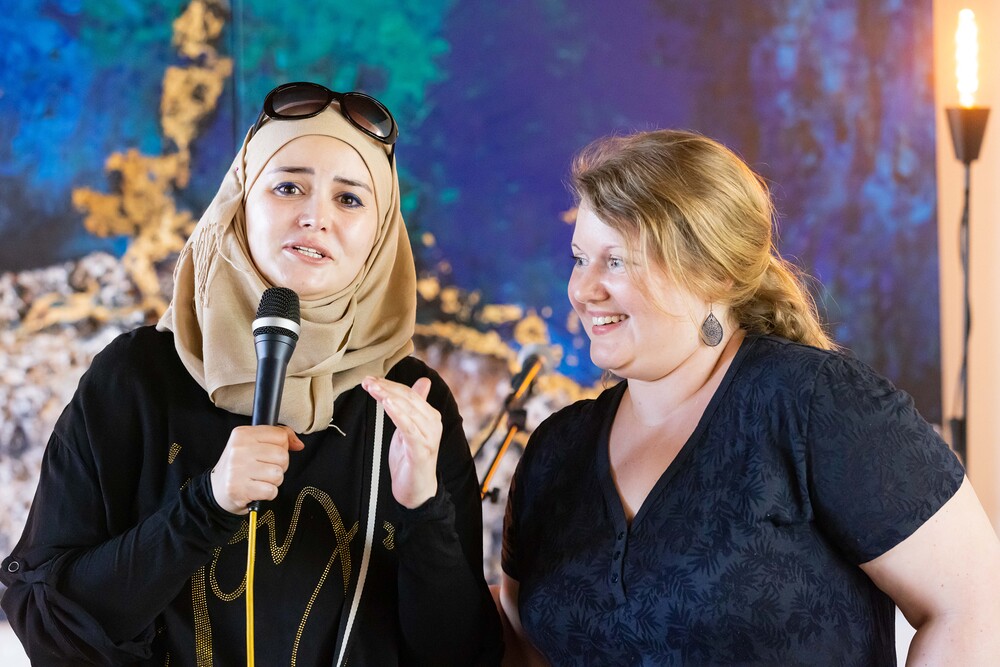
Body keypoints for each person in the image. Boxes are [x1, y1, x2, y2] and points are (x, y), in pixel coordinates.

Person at [1, 81, 503, 666]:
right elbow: (47, 624)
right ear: (240, 202)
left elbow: (464, 657)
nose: (316, 217)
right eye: (288, 186)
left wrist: (422, 510)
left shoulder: (411, 403)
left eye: (350, 199)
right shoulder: (137, 378)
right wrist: (206, 505)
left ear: (381, 232)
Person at [497, 129, 1000, 665]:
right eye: (580, 259)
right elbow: (523, 645)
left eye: (615, 261)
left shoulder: (817, 403)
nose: (583, 290)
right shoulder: (557, 448)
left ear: (712, 274)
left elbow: (972, 607)